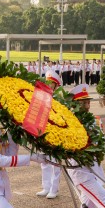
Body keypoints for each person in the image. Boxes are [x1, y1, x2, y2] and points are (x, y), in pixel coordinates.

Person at [36, 70, 63, 199]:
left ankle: (54, 188)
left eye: (51, 83)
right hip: (42, 132)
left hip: (55, 133)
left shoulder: (59, 98)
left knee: (55, 162)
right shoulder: (42, 95)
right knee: (44, 161)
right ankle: (46, 187)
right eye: (47, 82)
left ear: (56, 85)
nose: (48, 84)